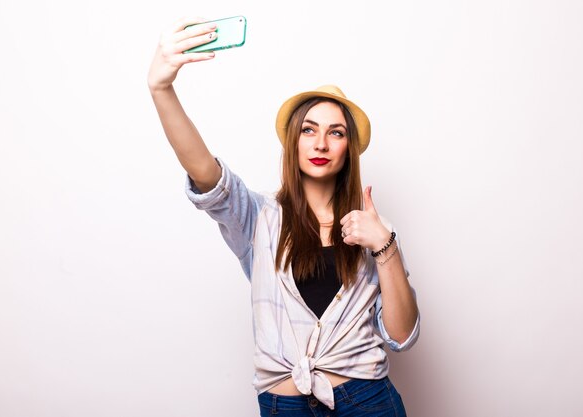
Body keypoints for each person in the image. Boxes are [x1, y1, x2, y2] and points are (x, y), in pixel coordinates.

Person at [148, 17, 421, 417]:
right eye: (309, 130)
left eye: (336, 133)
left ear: (349, 149)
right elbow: (207, 174)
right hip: (283, 405)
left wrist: (385, 247)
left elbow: (402, 334)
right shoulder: (259, 218)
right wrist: (161, 89)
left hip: (367, 402)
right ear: (293, 141)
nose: (321, 143)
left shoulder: (375, 230)